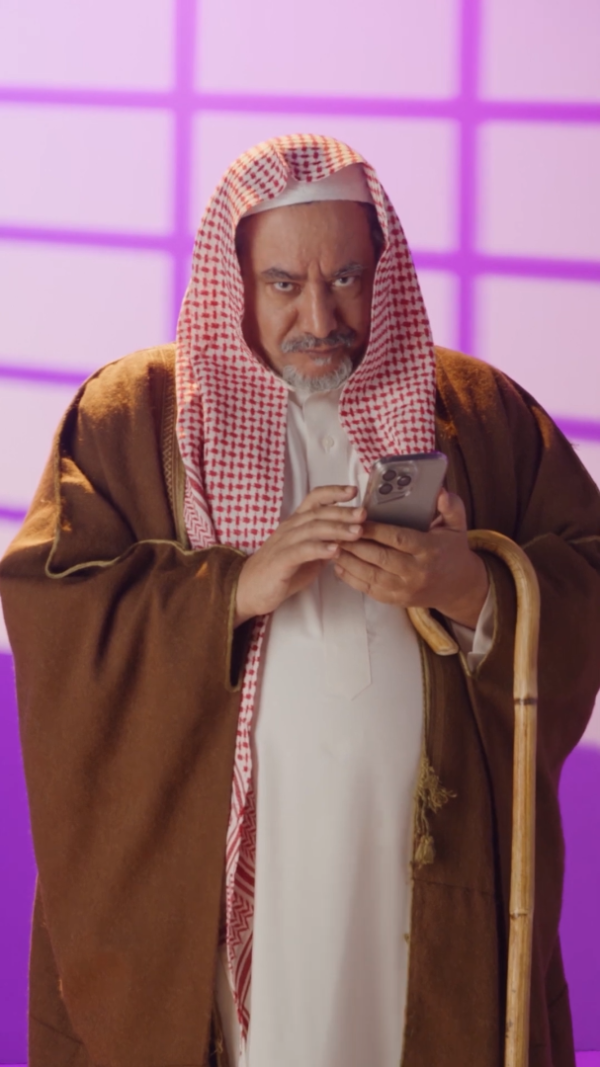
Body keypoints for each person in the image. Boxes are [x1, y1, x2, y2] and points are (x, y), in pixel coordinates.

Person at [1, 134, 599, 1067]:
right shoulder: (133, 415)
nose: (321, 317)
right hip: (223, 880)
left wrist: (467, 583)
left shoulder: (482, 412)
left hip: (428, 877)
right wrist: (232, 589)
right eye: (284, 284)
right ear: (234, 280)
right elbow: (56, 610)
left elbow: (588, 575)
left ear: (382, 269)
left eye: (347, 279)